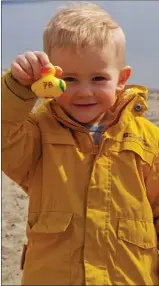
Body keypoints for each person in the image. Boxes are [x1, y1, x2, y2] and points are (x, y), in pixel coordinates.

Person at [2, 2, 159, 285]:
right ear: (49, 78)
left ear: (121, 79)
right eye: (70, 79)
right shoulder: (38, 133)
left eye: (99, 78)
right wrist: (16, 88)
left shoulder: (149, 140)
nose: (84, 91)